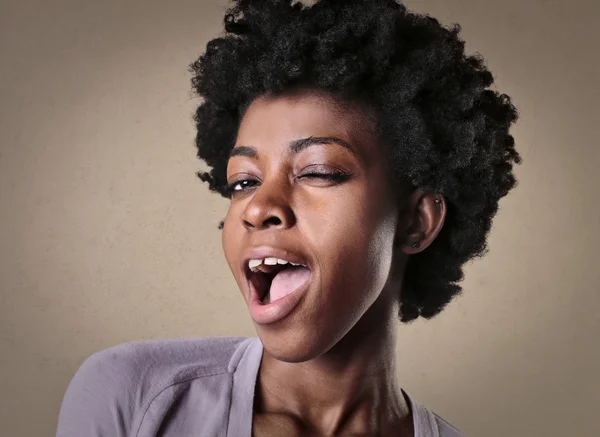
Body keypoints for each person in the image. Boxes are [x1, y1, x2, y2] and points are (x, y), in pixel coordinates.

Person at [56, 0, 522, 436]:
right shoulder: (133, 398)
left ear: (416, 221)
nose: (259, 207)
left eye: (318, 172)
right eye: (243, 182)